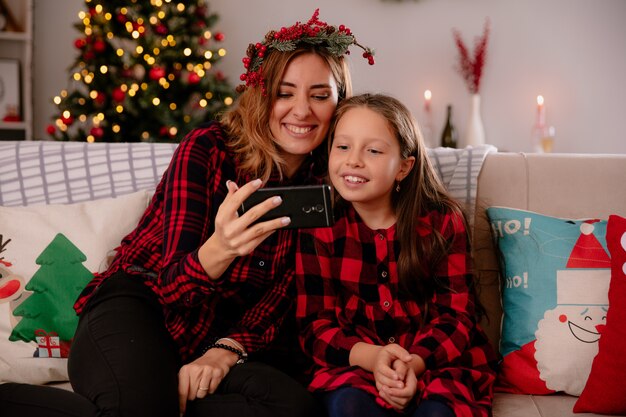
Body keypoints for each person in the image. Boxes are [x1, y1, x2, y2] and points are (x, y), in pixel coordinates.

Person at [0, 10, 374, 417]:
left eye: (320, 95)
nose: (301, 111)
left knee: (296, 409)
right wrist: (221, 248)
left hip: (215, 338)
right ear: (262, 94)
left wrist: (225, 351)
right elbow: (171, 287)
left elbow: (286, 300)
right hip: (140, 309)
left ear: (340, 102)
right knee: (141, 408)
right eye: (285, 92)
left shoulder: (333, 180)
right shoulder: (209, 150)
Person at [295, 93, 498, 417]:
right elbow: (315, 326)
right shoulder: (319, 226)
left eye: (373, 150)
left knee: (439, 413)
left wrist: (412, 364)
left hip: (434, 362)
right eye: (343, 146)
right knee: (349, 407)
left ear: (404, 166)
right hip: (356, 363)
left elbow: (458, 319)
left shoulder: (443, 221)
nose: (353, 161)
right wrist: (374, 358)